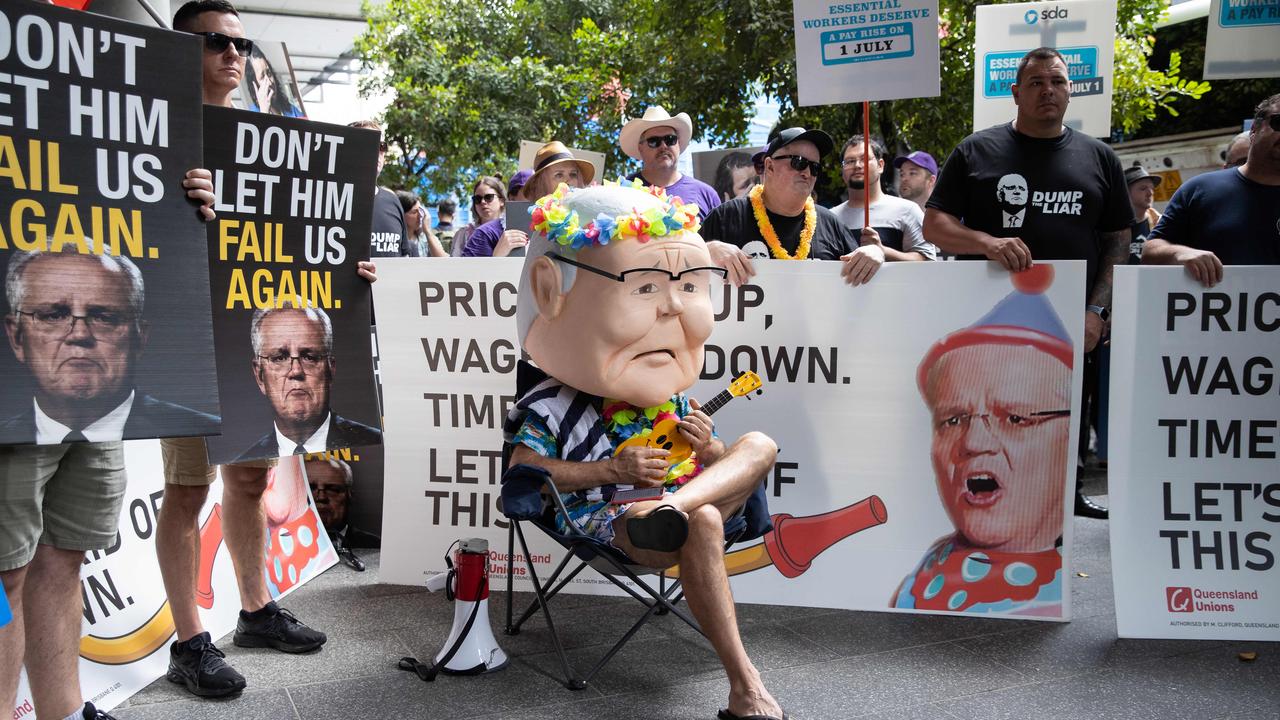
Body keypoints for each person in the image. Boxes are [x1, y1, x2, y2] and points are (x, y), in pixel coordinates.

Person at [152, 1, 377, 701]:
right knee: (189, 490)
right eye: (215, 41)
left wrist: (351, 271)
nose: (232, 53)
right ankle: (190, 644)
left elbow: (301, 245)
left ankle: (253, 612)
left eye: (241, 43)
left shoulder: (265, 141)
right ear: (176, 49)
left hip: (249, 333)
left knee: (248, 481)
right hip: (190, 337)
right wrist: (173, 195)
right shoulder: (155, 134)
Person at [508, 183, 786, 720]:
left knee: (757, 445)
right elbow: (524, 472)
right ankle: (745, 685)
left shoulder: (672, 392)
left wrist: (709, 448)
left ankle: (675, 511)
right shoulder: (547, 402)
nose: (673, 309)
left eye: (688, 286)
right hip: (619, 519)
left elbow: (720, 465)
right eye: (644, 287)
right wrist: (610, 469)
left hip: (676, 501)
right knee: (702, 520)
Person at [923, 47, 1132, 520]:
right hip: (985, 324)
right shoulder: (976, 151)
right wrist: (986, 242)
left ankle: (1066, 499)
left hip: (1071, 320)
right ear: (1015, 93)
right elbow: (935, 225)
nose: (1048, 91)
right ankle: (974, 504)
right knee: (986, 415)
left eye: (1057, 82)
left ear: (1070, 91)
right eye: (1036, 83)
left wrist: (1096, 312)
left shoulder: (1099, 158)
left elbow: (1118, 241)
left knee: (1065, 411)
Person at [893, 268, 1072, 616]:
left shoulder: (1050, 597)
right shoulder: (927, 566)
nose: (973, 442)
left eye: (1016, 418)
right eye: (953, 419)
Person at [1, 249, 220, 444]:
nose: (79, 334)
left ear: (139, 338)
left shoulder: (202, 432)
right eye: (54, 316)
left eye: (104, 317)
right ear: (16, 336)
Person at [700, 127, 885, 287]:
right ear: (769, 166)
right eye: (798, 162)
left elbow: (864, 276)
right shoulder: (727, 216)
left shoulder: (830, 223)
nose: (807, 172)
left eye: (814, 167)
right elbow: (678, 264)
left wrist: (875, 253)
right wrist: (707, 249)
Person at [1142, 93, 1280, 286]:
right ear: (1254, 129)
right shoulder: (1200, 190)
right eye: (1279, 122)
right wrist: (1179, 253)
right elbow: (1149, 251)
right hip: (1204, 313)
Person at [235, 305, 382, 460]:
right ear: (260, 375)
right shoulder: (245, 462)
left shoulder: (375, 444)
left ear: (330, 370)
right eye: (279, 358)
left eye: (309, 357)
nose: (296, 371)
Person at [462, 142, 593, 257]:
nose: (568, 181)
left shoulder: (591, 223)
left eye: (573, 174)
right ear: (540, 185)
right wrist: (498, 258)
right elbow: (467, 279)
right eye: (559, 175)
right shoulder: (485, 234)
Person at [831, 135, 938, 261]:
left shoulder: (907, 210)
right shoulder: (831, 217)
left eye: (864, 159)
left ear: (880, 165)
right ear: (842, 169)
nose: (858, 165)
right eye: (850, 161)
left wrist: (883, 251)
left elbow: (928, 262)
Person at [620, 106, 720, 219]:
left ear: (678, 143)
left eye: (670, 139)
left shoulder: (706, 195)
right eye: (654, 141)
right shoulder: (623, 191)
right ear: (640, 148)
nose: (663, 146)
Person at [352, 120, 418, 258]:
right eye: (368, 143)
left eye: (381, 146)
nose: (377, 151)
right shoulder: (331, 203)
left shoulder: (392, 201)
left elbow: (403, 256)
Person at [306, 457, 380, 549]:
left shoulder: (377, 547)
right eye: (310, 488)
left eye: (332, 489)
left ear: (350, 496)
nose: (321, 497)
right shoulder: (283, 551)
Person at [451, 175, 511, 257]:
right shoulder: (464, 233)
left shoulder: (510, 230)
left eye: (489, 197)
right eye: (477, 199)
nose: (483, 202)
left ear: (502, 201)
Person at [244, 45, 303, 117]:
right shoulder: (252, 115)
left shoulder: (291, 109)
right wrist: (264, 111)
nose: (269, 82)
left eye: (269, 73)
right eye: (262, 77)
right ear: (254, 86)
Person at [1124, 166, 1162, 264]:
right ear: (1125, 193)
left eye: (1152, 188)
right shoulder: (1110, 226)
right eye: (1143, 188)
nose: (1150, 193)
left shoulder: (1159, 224)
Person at [395, 190, 446, 258]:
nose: (420, 216)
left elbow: (443, 261)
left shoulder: (424, 238)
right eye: (414, 212)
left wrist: (428, 231)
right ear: (401, 214)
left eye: (421, 210)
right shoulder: (394, 239)